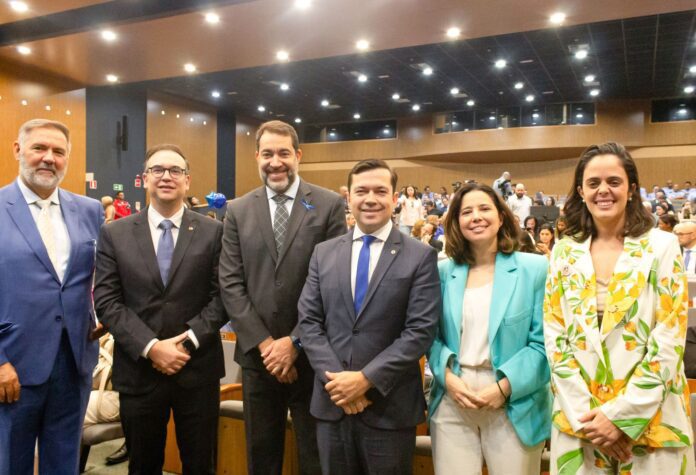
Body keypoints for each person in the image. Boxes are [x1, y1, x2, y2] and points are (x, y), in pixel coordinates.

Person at [544, 142, 694, 473]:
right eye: (593, 183)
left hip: (651, 420)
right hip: (583, 423)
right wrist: (594, 419)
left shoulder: (662, 246)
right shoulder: (564, 252)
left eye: (614, 181)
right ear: (581, 191)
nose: (603, 191)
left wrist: (621, 417)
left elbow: (669, 337)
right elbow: (556, 342)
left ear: (632, 188)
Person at [218, 120, 345, 474]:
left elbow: (333, 284)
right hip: (259, 362)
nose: (276, 162)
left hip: (313, 358)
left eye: (284, 153)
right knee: (262, 457)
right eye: (268, 153)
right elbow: (230, 283)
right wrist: (265, 345)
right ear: (257, 156)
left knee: (315, 457)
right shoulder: (238, 210)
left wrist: (294, 342)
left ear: (298, 155)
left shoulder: (328, 205)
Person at [298, 159, 440, 474]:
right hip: (332, 402)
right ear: (348, 197)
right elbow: (308, 323)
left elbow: (419, 331)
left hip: (389, 408)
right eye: (361, 191)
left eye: (380, 190)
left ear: (395, 198)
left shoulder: (420, 256)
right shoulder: (324, 253)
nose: (370, 198)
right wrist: (338, 382)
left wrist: (364, 380)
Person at [94, 144, 228, 474]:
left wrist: (186, 342)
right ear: (144, 179)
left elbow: (223, 297)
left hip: (197, 370)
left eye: (175, 171)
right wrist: (152, 348)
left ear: (187, 180)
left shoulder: (214, 232)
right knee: (142, 465)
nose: (166, 176)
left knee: (200, 465)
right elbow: (108, 302)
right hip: (139, 371)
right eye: (158, 170)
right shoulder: (114, 233)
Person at [0, 119, 103, 474]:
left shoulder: (90, 211)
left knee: (64, 463)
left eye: (58, 152)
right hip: (12, 366)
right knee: (10, 462)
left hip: (74, 363)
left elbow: (99, 278)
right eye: (39, 148)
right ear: (18, 150)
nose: (49, 158)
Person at [428, 183, 551, 474]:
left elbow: (545, 343)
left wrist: (503, 389)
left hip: (514, 401)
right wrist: (449, 379)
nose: (476, 217)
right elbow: (429, 337)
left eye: (484, 208)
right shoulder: (442, 271)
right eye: (466, 211)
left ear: (501, 216)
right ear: (456, 222)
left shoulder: (534, 268)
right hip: (454, 398)